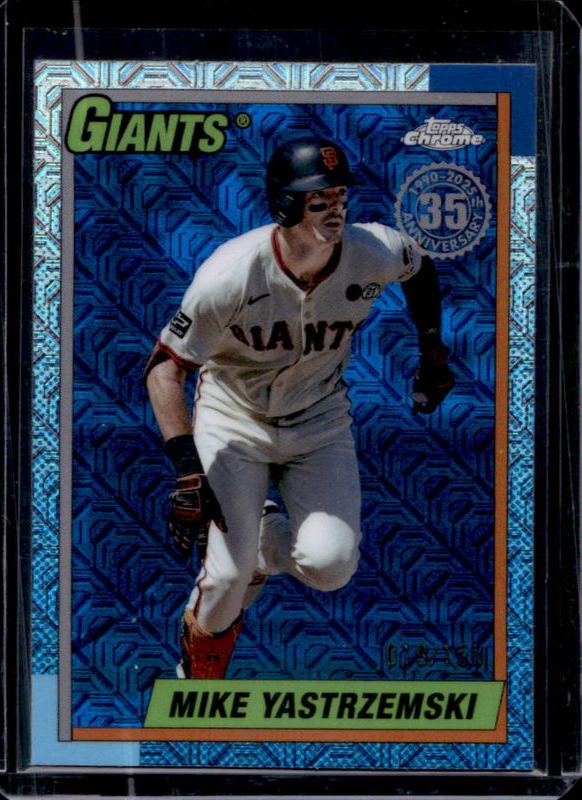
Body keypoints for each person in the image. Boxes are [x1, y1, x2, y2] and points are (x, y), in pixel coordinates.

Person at [145, 136, 455, 679]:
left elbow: (419, 266)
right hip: (234, 418)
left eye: (339, 197)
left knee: (331, 565)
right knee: (226, 579)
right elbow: (165, 368)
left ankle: (264, 543)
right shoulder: (230, 274)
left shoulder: (373, 249)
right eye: (318, 200)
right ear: (285, 206)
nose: (335, 210)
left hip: (319, 418)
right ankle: (194, 686)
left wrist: (432, 352)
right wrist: (187, 471)